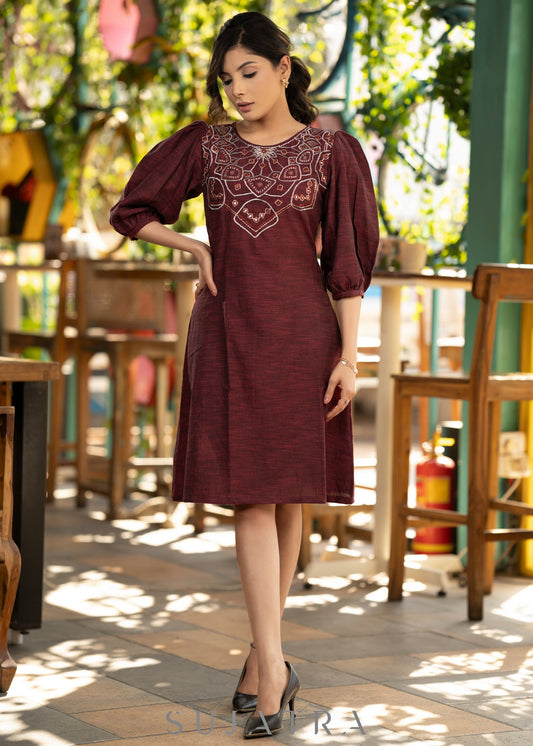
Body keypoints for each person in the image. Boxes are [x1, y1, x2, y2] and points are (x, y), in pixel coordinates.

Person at [110, 11, 379, 739]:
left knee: (286, 495)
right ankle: (273, 674)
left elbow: (348, 264)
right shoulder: (206, 146)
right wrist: (194, 247)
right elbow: (131, 210)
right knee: (251, 499)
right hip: (227, 335)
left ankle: (265, 662)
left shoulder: (333, 152)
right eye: (227, 79)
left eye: (249, 73)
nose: (237, 90)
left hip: (302, 340)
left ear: (284, 70)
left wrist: (349, 357)